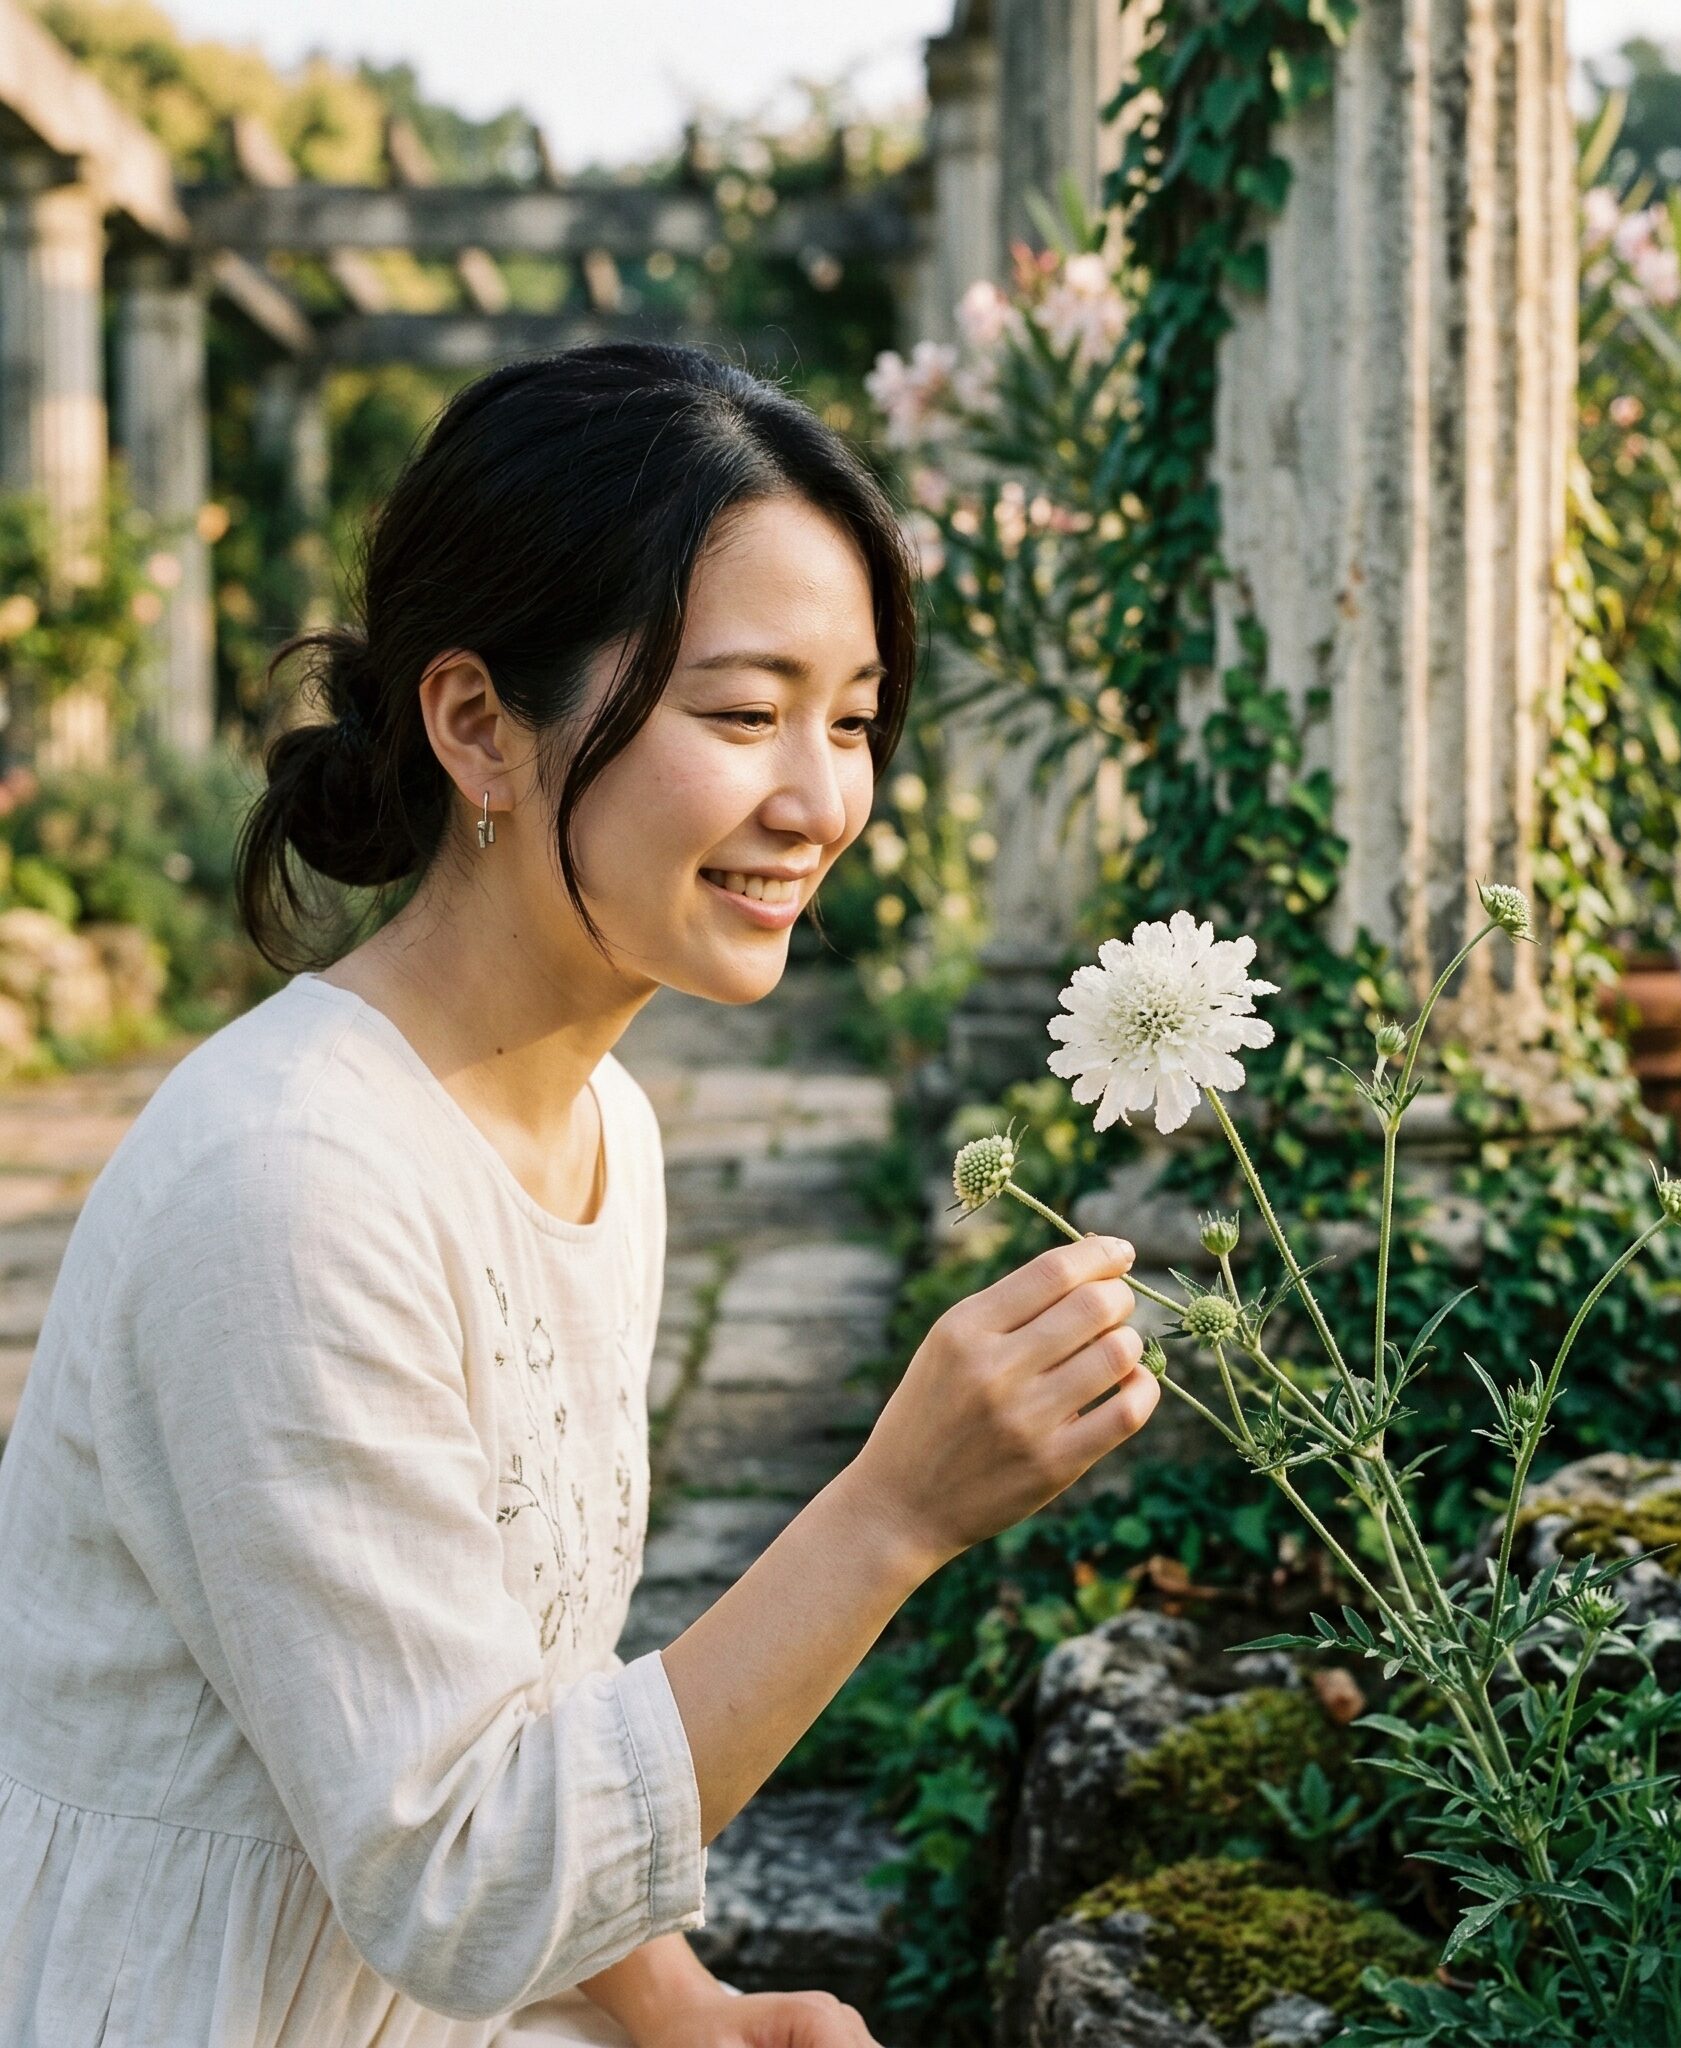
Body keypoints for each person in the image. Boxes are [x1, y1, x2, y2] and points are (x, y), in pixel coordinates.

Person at [0, 344, 1155, 2046]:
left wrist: (690, 2009)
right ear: (478, 723)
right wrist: (892, 1515)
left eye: (850, 721)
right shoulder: (289, 1185)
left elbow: (505, 1690)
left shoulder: (602, 1125)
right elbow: (464, 1874)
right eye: (745, 713)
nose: (820, 799)